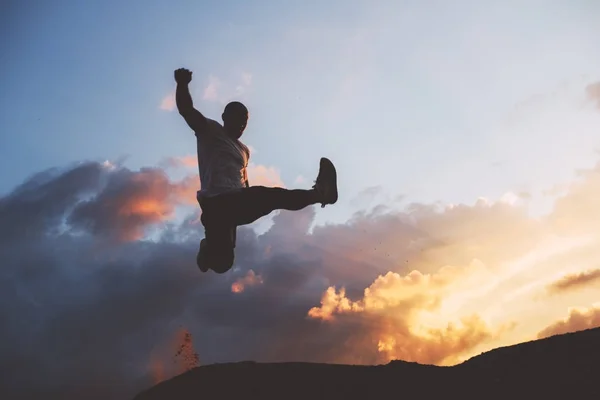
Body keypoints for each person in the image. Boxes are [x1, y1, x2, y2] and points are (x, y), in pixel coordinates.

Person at [174, 67, 338, 274]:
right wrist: (182, 84)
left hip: (236, 202)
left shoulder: (244, 151)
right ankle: (208, 248)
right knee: (224, 262)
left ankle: (320, 194)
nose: (242, 124)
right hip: (216, 203)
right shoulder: (210, 130)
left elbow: (243, 182)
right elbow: (186, 110)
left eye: (245, 121)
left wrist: (253, 200)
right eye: (237, 118)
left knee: (272, 199)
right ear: (225, 116)